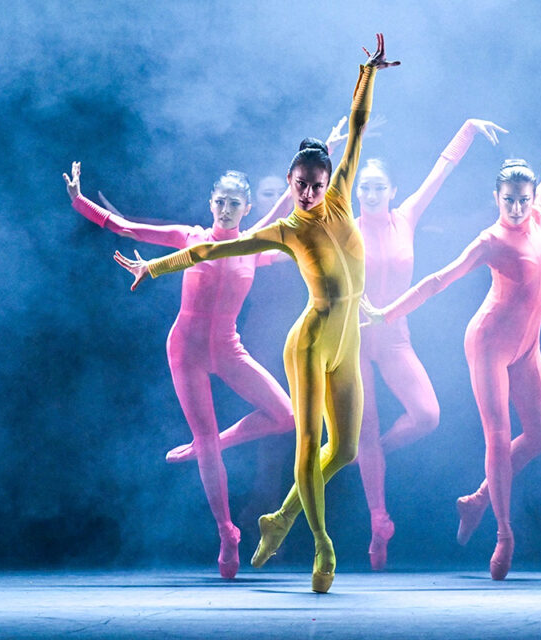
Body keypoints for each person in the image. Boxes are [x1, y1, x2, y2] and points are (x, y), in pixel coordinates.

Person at [114, 34, 398, 593]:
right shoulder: (284, 230)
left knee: (344, 448)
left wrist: (368, 74)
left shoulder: (341, 195)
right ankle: (322, 546)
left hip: (349, 338)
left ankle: (281, 517)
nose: (309, 193)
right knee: (306, 442)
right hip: (311, 338)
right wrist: (155, 268)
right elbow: (207, 251)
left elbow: (358, 125)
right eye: (301, 186)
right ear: (290, 184)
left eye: (316, 185)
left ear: (328, 182)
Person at [362, 95, 541, 580]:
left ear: (532, 198)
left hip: (527, 345)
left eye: (524, 199)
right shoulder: (490, 240)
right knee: (497, 437)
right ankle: (504, 535)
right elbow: (438, 280)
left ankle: (475, 500)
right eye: (508, 199)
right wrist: (388, 313)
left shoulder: (540, 215)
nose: (517, 207)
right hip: (490, 343)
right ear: (496, 198)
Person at [62, 165, 296, 579]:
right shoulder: (189, 237)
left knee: (287, 416)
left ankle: (209, 446)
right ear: (211, 204)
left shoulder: (253, 246)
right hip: (186, 349)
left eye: (234, 204)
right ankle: (227, 532)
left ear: (246, 209)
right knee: (205, 439)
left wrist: (320, 165)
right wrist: (80, 201)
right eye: (220, 202)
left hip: (228, 349)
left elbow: (285, 214)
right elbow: (127, 228)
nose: (225, 209)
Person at [355, 118, 508, 570]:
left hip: (394, 338)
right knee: (364, 429)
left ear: (393, 190)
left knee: (427, 415)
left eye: (378, 187)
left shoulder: (407, 216)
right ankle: (378, 523)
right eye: (364, 187)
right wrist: (344, 140)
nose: (370, 193)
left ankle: (372, 455)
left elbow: (442, 169)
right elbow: (314, 186)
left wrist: (468, 129)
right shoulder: (344, 224)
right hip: (351, 340)